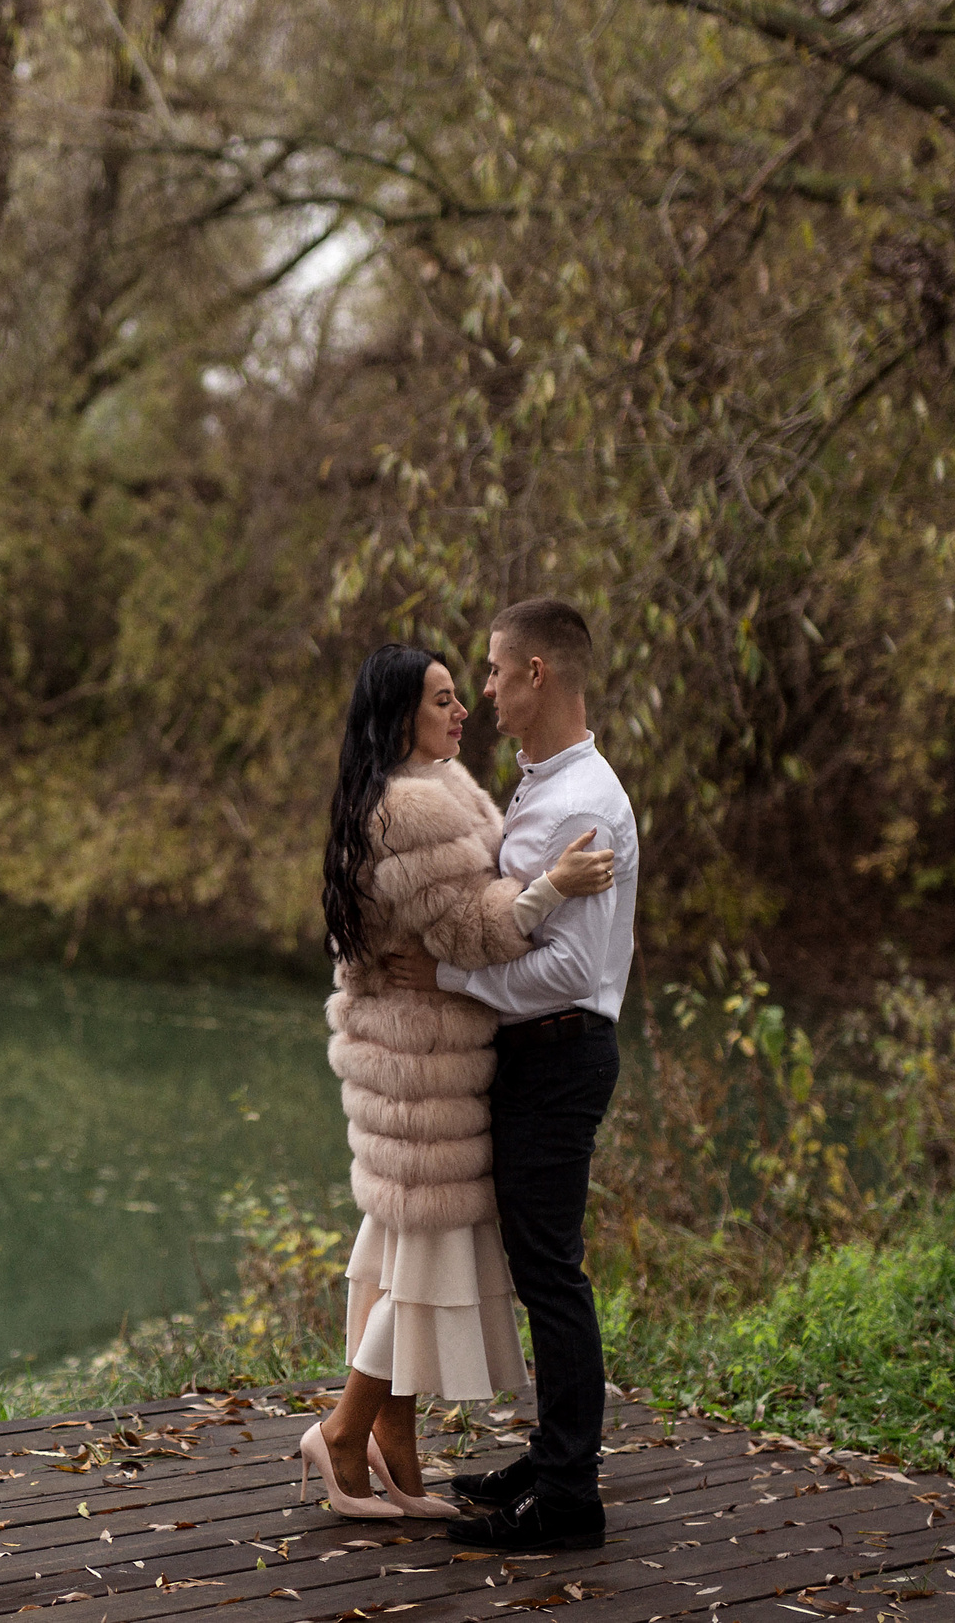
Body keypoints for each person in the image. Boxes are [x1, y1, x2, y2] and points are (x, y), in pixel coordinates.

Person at [301, 643, 615, 1522]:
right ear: (401, 713)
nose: (463, 708)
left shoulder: (425, 787)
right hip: (421, 1072)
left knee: (403, 1255)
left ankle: (393, 1451)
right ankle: (341, 1433)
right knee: (423, 1263)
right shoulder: (411, 807)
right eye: (442, 698)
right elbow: (470, 928)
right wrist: (550, 887)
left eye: (459, 694)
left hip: (413, 1061)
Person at [383, 598, 637, 1552]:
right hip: (539, 1053)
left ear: (539, 673)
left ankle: (570, 1499)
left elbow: (570, 969)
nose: (483, 689)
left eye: (493, 671)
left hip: (561, 1051)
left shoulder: (581, 802)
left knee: (553, 1276)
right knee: (541, 1269)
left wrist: (446, 977)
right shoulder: (544, 785)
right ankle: (552, 1458)